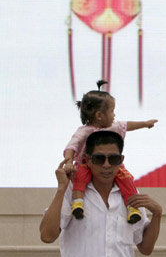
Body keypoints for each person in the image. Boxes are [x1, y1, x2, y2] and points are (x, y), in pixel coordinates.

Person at [40, 130, 162, 257]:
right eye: (99, 159)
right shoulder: (71, 191)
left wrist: (157, 213)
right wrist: (61, 189)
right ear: (88, 160)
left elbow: (146, 248)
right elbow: (47, 236)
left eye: (113, 159)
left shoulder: (131, 195)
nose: (106, 165)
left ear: (121, 160)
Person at [63, 80, 158, 223]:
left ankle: (132, 208)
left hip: (112, 165)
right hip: (86, 164)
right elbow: (71, 147)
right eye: (112, 111)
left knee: (126, 179)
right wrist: (69, 162)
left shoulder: (113, 126)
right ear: (100, 115)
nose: (114, 115)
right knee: (79, 177)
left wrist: (144, 124)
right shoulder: (83, 131)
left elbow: (127, 125)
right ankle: (77, 203)